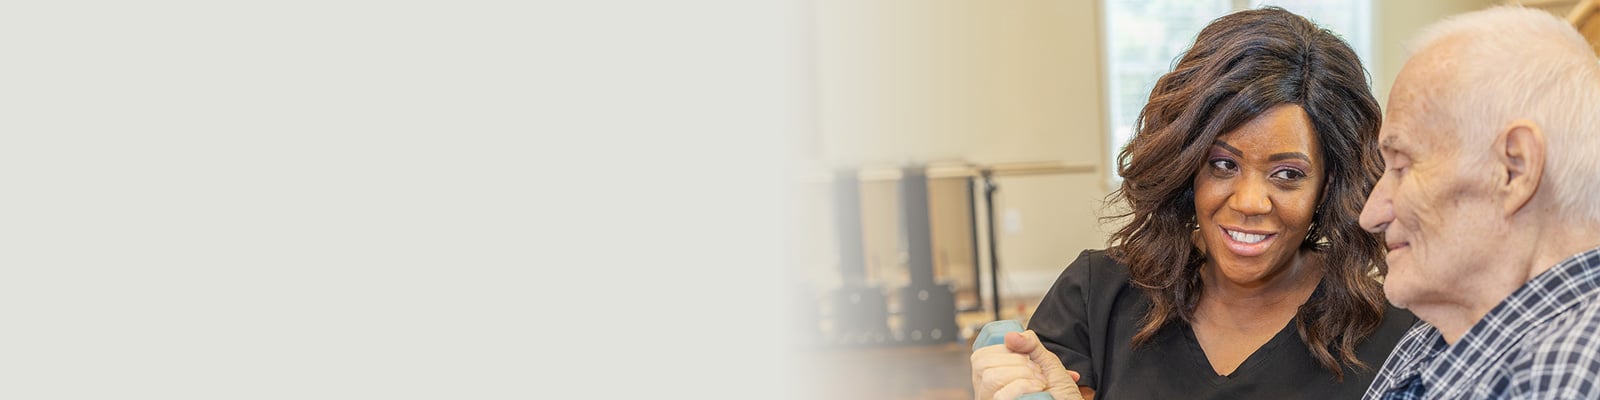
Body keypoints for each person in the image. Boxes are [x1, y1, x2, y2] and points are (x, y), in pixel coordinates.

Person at [970, 7, 1417, 400]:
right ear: (1187, 167)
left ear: (1328, 185)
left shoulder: (1393, 334)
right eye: (1223, 165)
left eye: (1288, 175)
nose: (1248, 201)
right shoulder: (1098, 297)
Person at [1358, 6, 1600, 399]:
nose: (1371, 215)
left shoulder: (1573, 367)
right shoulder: (1431, 339)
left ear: (1513, 169)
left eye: (1401, 166)